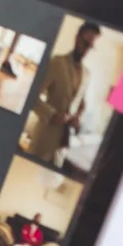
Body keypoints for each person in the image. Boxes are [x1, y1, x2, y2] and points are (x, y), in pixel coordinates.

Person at [29, 21, 100, 164]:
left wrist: (78, 117)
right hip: (45, 136)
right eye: (85, 44)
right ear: (77, 37)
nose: (86, 50)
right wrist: (52, 114)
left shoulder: (87, 74)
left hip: (64, 143)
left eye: (90, 47)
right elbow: (32, 95)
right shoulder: (57, 62)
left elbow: (81, 102)